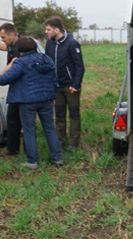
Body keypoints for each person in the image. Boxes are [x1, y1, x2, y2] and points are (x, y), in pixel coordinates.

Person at [0, 36, 63, 169]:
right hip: (47, 99)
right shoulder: (47, 59)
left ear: (20, 49)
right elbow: (53, 77)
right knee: (49, 128)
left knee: (29, 130)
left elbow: (3, 80)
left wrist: (10, 65)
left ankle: (32, 161)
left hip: (27, 101)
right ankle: (57, 158)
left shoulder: (21, 63)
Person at [44, 16, 85, 150]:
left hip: (70, 87)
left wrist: (76, 84)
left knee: (73, 114)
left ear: (57, 29)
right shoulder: (49, 43)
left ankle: (73, 143)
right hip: (56, 86)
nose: (46, 32)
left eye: (48, 29)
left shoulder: (72, 43)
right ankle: (60, 141)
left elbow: (80, 66)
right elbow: (47, 63)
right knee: (59, 115)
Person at [0, 23, 22, 156]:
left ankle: (14, 150)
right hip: (15, 88)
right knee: (12, 118)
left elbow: (12, 67)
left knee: (16, 119)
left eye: (3, 37)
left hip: (22, 89)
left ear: (12, 34)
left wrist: (2, 77)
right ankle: (12, 149)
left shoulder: (21, 47)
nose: (2, 40)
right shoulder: (11, 46)